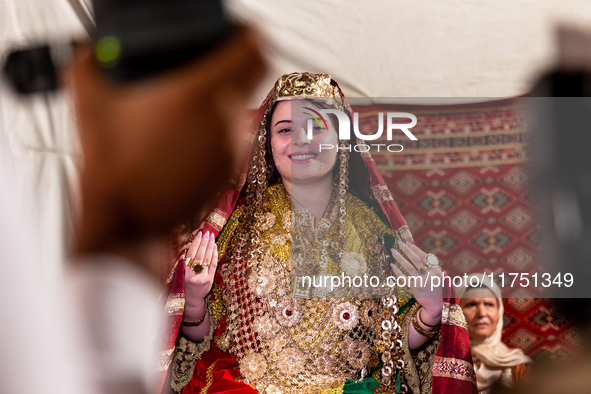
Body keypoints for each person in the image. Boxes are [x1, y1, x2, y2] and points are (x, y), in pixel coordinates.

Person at [158, 73, 477, 394]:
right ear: (267, 143)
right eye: (285, 130)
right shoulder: (236, 226)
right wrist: (196, 300)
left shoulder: (375, 231)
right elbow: (203, 341)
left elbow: (391, 345)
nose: (301, 140)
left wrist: (431, 312)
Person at [457, 275, 532, 394]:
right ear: (457, 312)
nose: (481, 313)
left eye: (489, 304)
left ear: (499, 312)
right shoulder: (442, 365)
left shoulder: (519, 367)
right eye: (471, 304)